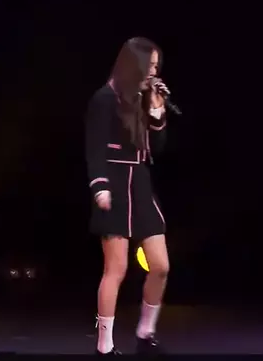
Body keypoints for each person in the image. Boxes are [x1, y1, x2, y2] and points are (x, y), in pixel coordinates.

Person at [85, 37, 172, 355]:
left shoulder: (143, 97)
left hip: (141, 186)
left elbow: (157, 149)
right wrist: (100, 186)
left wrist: (158, 111)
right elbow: (95, 148)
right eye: (150, 65)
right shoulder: (104, 98)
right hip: (115, 183)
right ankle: (104, 346)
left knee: (160, 266)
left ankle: (145, 333)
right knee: (116, 268)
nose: (154, 71)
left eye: (156, 66)